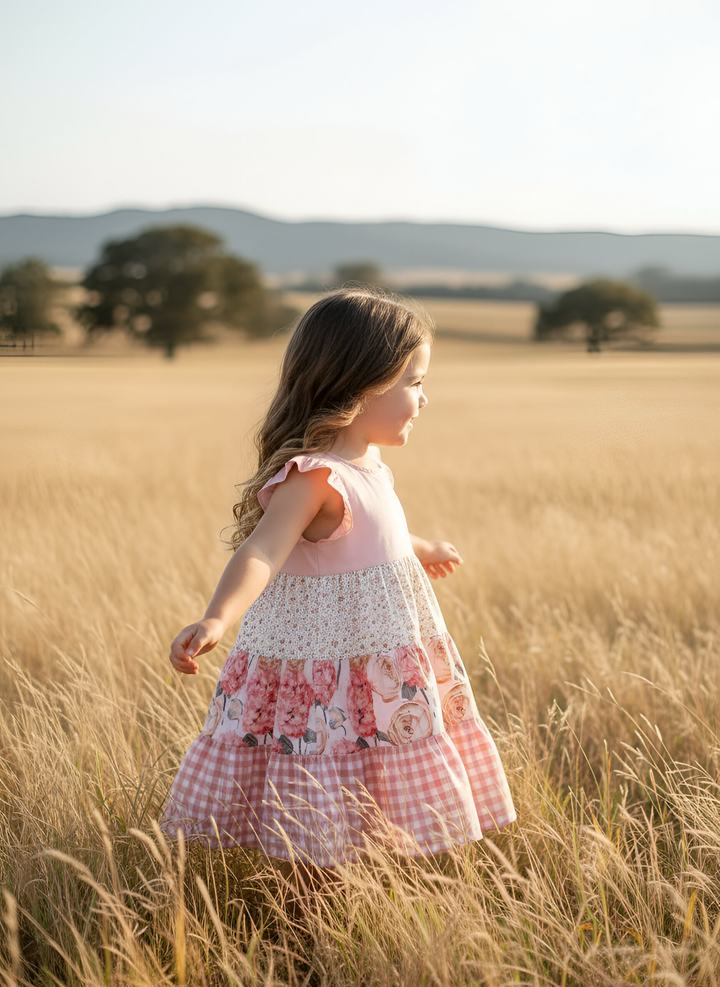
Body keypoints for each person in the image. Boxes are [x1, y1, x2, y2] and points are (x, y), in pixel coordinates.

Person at [161, 288, 515, 868]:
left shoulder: (369, 466)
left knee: (371, 771)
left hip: (379, 658)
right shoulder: (315, 477)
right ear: (360, 380)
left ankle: (360, 889)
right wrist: (217, 617)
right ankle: (310, 906)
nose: (424, 399)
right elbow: (262, 550)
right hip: (330, 669)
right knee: (324, 774)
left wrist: (419, 548)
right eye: (413, 382)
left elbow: (375, 532)